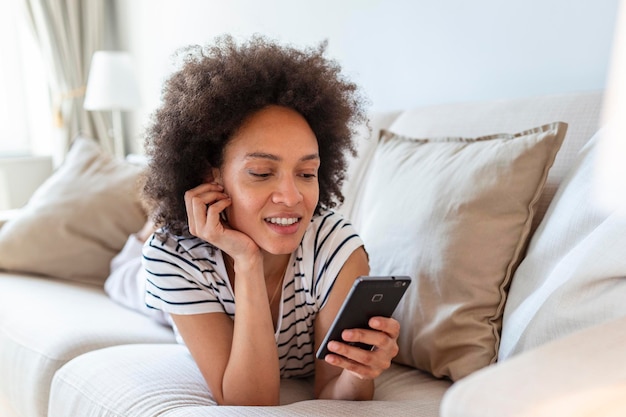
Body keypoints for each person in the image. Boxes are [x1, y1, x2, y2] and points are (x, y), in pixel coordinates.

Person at [141, 35, 401, 406]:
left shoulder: (334, 248)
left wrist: (360, 371)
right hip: (162, 274)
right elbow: (249, 403)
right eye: (262, 173)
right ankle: (139, 232)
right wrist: (247, 262)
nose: (292, 197)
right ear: (212, 175)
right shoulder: (172, 256)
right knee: (128, 271)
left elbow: (335, 394)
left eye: (307, 173)